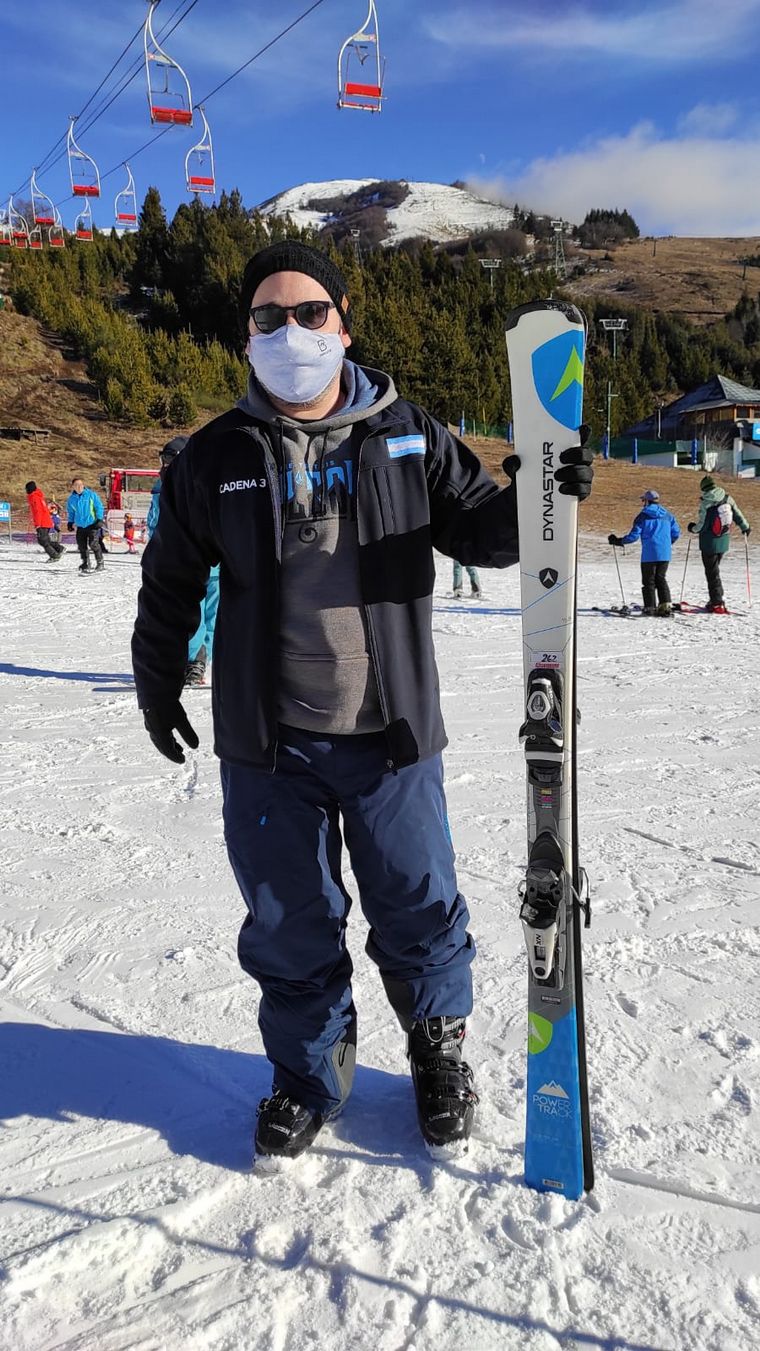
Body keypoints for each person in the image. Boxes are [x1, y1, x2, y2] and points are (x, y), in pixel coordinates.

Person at [132, 240, 594, 1163]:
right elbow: (170, 578)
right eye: (269, 318)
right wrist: (155, 680)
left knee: (419, 903)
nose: (290, 332)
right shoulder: (216, 453)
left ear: (343, 323)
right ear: (246, 337)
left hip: (392, 733)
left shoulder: (405, 431)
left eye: (309, 314)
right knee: (288, 917)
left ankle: (437, 1050)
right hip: (270, 744)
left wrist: (542, 493)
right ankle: (308, 1074)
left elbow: (477, 530)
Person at [145, 435, 220, 686]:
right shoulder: (162, 489)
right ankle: (194, 660)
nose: (165, 465)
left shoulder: (207, 484)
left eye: (170, 459)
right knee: (192, 614)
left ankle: (202, 661)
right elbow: (155, 525)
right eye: (163, 459)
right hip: (184, 565)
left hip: (213, 564)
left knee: (211, 614)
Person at [608, 488, 680, 616]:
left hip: (649, 554)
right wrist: (667, 544)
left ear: (647, 501)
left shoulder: (642, 516)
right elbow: (676, 533)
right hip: (665, 553)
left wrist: (619, 541)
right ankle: (665, 605)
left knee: (649, 581)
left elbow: (634, 536)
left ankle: (650, 607)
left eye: (643, 500)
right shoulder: (668, 515)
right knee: (661, 578)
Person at [688, 475, 750, 614]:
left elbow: (702, 525)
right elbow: (737, 513)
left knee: (712, 573)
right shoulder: (727, 498)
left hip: (708, 543)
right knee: (715, 571)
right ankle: (716, 599)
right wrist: (745, 527)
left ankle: (716, 602)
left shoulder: (706, 502)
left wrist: (692, 528)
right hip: (723, 540)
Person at [66, 477, 105, 573]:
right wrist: (70, 522)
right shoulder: (71, 499)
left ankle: (100, 562)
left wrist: (99, 519)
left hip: (92, 524)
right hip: (80, 525)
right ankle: (85, 562)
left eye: (80, 485)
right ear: (73, 487)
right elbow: (71, 512)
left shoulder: (91, 495)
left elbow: (99, 507)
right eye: (76, 485)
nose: (79, 487)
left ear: (83, 485)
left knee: (93, 544)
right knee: (81, 545)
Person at [25, 481, 64, 561]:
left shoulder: (34, 497)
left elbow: (38, 512)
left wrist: (38, 524)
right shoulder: (38, 496)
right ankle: (59, 548)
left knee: (43, 541)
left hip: (42, 523)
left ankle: (54, 555)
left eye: (27, 489)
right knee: (45, 540)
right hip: (46, 521)